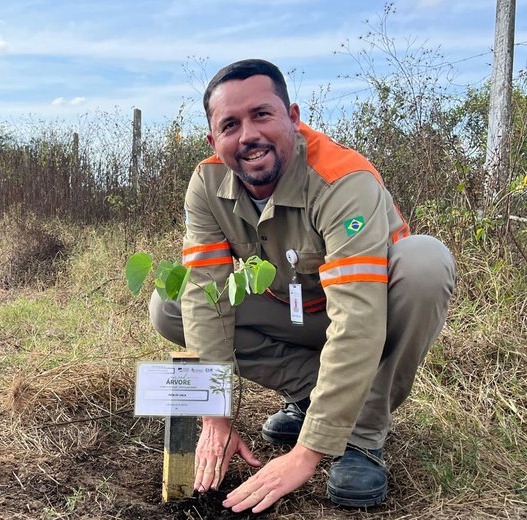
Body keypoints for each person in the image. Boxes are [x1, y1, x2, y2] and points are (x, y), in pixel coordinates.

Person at [148, 58, 456, 513]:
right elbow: (203, 294)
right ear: (214, 141)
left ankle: (363, 437)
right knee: (169, 305)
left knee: (425, 262)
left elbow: (358, 318)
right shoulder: (207, 184)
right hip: (290, 312)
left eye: (262, 115)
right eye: (230, 124)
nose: (248, 135)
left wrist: (307, 453)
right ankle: (311, 397)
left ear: (292, 117)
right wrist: (216, 414)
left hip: (367, 311)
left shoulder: (343, 180)